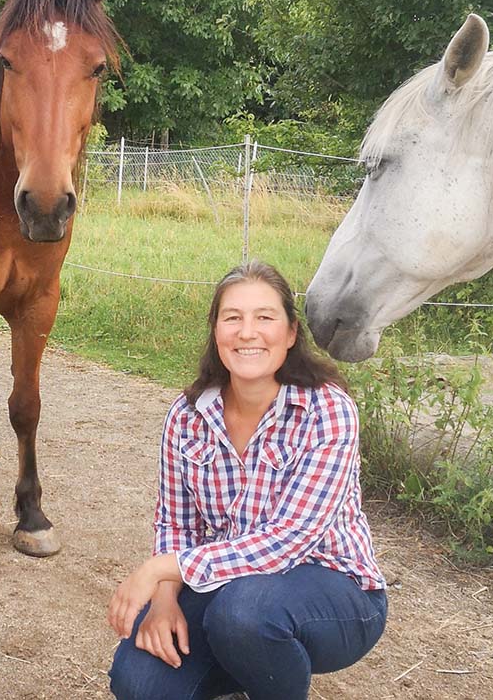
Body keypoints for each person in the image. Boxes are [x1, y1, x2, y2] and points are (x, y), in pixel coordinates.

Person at [107, 260, 387, 700]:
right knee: (139, 683)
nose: (247, 332)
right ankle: (247, 671)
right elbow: (176, 524)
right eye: (232, 318)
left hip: (333, 591)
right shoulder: (187, 417)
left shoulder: (326, 411)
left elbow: (290, 538)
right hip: (226, 588)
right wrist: (164, 600)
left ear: (291, 333)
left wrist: (165, 568)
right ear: (216, 331)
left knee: (245, 615)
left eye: (265, 317)